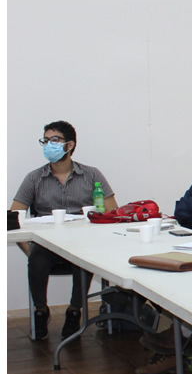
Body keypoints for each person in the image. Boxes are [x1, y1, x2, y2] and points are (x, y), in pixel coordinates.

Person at [11, 120, 118, 341]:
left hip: (82, 244)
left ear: (69, 145)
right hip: (46, 246)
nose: (48, 145)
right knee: (37, 259)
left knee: (84, 259)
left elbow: (112, 212)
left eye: (54, 140)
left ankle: (74, 311)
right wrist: (28, 248)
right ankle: (40, 311)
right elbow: (14, 218)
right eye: (45, 140)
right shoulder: (34, 178)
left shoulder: (92, 175)